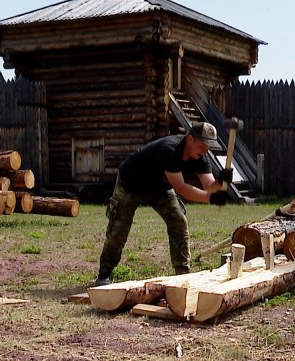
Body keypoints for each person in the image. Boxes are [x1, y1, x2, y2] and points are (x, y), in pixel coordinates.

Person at [94, 122, 233, 286]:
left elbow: (210, 187)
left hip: (160, 188)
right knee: (118, 229)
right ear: (190, 139)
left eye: (208, 147)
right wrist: (211, 199)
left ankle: (182, 274)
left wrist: (221, 181)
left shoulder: (200, 157)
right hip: (131, 184)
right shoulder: (170, 149)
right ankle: (104, 273)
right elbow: (181, 188)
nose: (205, 150)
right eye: (203, 145)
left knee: (179, 222)